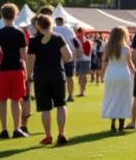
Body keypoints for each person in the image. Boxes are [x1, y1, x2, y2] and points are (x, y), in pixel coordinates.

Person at [26, 14, 72, 145]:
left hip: (41, 76)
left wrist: (28, 74)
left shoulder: (34, 41)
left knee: (45, 109)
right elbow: (68, 56)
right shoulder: (58, 38)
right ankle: (61, 133)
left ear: (38, 26)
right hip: (57, 74)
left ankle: (48, 135)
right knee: (61, 105)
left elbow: (29, 59)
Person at [0, 4, 29, 139]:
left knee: (2, 100)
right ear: (16, 15)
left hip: (3, 70)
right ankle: (16, 128)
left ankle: (3, 129)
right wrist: (27, 71)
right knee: (15, 100)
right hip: (17, 69)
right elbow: (24, 55)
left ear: (2, 15)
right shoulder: (19, 33)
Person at [101, 26, 135, 133]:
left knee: (111, 97)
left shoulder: (107, 47)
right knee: (123, 98)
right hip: (123, 74)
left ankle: (113, 122)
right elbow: (130, 65)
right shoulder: (126, 49)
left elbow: (105, 62)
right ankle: (121, 124)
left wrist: (102, 75)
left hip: (111, 74)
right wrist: (135, 73)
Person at [53, 16, 79, 102]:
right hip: (68, 54)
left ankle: (58, 96)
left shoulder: (53, 28)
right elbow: (75, 42)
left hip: (56, 55)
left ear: (56, 21)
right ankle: (70, 95)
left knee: (57, 77)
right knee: (69, 76)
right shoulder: (69, 29)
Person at [74, 27, 92, 98]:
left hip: (85, 60)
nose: (78, 33)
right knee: (80, 76)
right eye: (78, 32)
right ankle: (81, 91)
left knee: (83, 75)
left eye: (80, 32)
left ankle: (82, 91)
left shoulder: (86, 41)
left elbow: (87, 52)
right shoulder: (76, 40)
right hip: (79, 60)